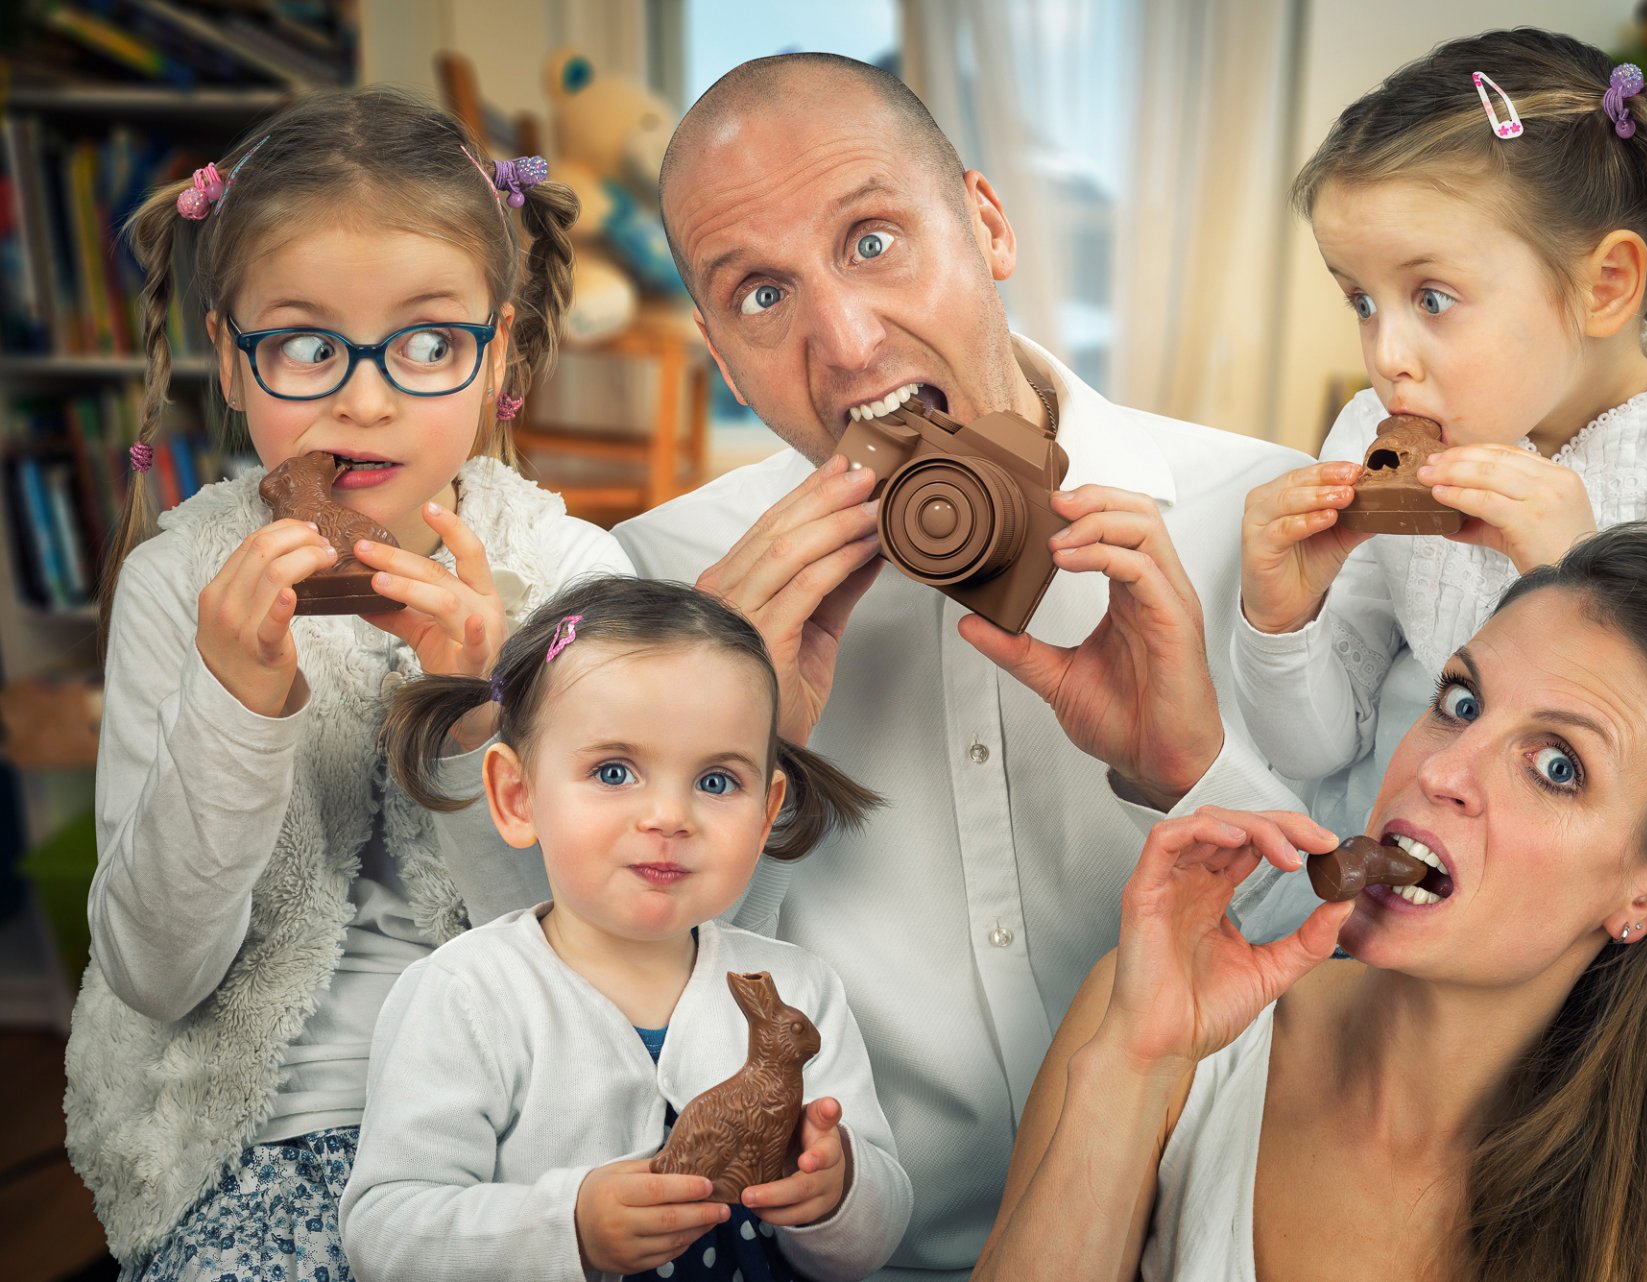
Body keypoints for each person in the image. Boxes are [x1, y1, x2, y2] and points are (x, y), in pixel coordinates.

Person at [437, 52, 1314, 1279]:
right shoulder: (658, 583)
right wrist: (719, 744)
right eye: (760, 297)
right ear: (719, 352)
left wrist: (1191, 767)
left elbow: (1385, 972)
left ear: (990, 225)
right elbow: (571, 1015)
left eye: (873, 242)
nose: (846, 344)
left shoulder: (1268, 520)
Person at [65, 86, 631, 1279]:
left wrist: (471, 719)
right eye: (306, 343)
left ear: (499, 354)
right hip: (264, 1136)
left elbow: (611, 940)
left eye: (428, 343)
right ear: (228, 357)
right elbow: (154, 971)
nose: (363, 398)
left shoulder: (574, 581)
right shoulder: (182, 587)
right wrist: (233, 706)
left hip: (526, 1128)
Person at [1230, 28, 1647, 971]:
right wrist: (1282, 619)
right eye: (1361, 301)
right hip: (1406, 934)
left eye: (1433, 297)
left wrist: (1595, 586)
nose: (1387, 357)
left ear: (1606, 285)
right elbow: (1318, 747)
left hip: (1624, 978)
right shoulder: (1368, 434)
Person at [978, 522, 1647, 1282]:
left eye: (1558, 767)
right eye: (1461, 703)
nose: (1443, 772)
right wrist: (1137, 1064)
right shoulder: (1157, 1023)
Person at [342, 577, 911, 1282]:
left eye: (715, 782)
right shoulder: (464, 995)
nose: (669, 816)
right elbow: (385, 1235)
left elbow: (876, 1235)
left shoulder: (798, 989)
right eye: (614, 771)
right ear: (516, 797)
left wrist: (839, 1190)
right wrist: (567, 1226)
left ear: (766, 815)